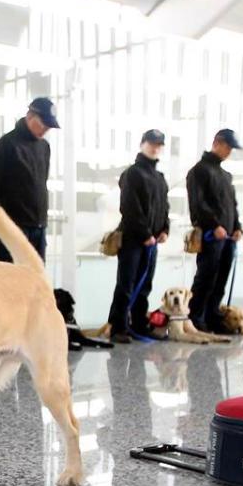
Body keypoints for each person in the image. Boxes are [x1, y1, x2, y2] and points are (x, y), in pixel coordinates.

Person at [106, 129, 170, 344]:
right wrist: (144, 234)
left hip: (152, 241)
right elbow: (129, 207)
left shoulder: (160, 178)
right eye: (151, 143)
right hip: (134, 239)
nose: (155, 147)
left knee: (145, 285)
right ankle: (118, 327)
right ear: (142, 144)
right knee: (127, 284)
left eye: (159, 144)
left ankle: (139, 324)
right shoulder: (132, 173)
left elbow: (164, 208)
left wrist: (164, 230)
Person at [0, 97, 59, 263]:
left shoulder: (44, 147)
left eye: (49, 126)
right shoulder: (7, 144)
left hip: (38, 224)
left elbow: (41, 182)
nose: (46, 129)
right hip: (14, 226)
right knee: (11, 278)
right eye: (43, 123)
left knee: (36, 278)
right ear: (30, 116)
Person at [186, 129, 243, 333]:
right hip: (212, 236)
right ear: (216, 143)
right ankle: (195, 317)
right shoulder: (199, 171)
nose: (229, 152)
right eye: (227, 146)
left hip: (227, 237)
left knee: (221, 279)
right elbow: (198, 205)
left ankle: (212, 316)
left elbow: (232, 205)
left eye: (231, 149)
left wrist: (236, 227)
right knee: (206, 277)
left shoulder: (225, 175)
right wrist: (213, 225)